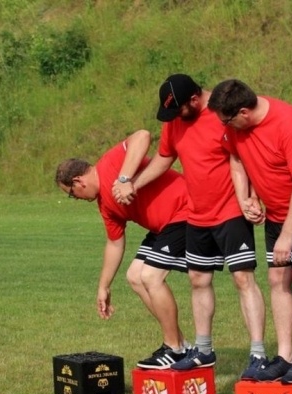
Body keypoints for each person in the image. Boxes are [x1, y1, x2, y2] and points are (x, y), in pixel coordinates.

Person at [112, 73, 267, 376]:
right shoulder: (174, 120)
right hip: (195, 214)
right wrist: (134, 183)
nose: (173, 119)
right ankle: (203, 351)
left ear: (195, 100)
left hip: (230, 212)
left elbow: (246, 158)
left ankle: (258, 354)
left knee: (243, 280)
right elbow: (164, 157)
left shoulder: (222, 114)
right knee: (198, 280)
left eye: (179, 111)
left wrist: (252, 197)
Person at [207, 79, 292, 384]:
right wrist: (246, 198)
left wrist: (287, 235)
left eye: (227, 121)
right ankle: (285, 356)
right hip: (279, 210)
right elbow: (238, 159)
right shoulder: (235, 128)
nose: (224, 127)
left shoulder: (288, 123)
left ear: (244, 112)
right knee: (276, 278)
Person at [55, 130, 191, 369]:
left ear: (78, 182)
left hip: (185, 210)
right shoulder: (105, 206)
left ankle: (174, 348)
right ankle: (181, 344)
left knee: (150, 276)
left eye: (71, 195)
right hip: (164, 227)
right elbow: (115, 243)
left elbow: (142, 136)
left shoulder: (111, 162)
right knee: (135, 277)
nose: (76, 199)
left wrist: (125, 178)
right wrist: (103, 286)